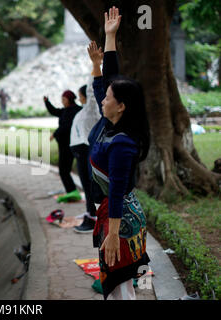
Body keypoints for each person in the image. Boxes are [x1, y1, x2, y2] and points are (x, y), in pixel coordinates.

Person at [88, 7, 150, 300]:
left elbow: (115, 191)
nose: (103, 99)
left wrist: (112, 236)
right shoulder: (107, 122)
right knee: (116, 286)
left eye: (108, 98)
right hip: (112, 216)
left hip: (120, 222)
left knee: (121, 289)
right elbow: (109, 80)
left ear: (121, 106)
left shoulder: (122, 142)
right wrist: (110, 37)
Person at [70, 81, 101, 233]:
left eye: (80, 95)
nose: (79, 98)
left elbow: (91, 93)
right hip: (80, 153)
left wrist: (95, 65)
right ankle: (90, 214)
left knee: (89, 187)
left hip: (84, 151)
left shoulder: (90, 110)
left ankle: (92, 219)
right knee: (86, 186)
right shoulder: (84, 111)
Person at [44, 91, 82, 202]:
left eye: (64, 99)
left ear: (70, 99)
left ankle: (72, 192)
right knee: (64, 169)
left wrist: (54, 134)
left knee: (64, 170)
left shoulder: (74, 111)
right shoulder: (66, 110)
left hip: (70, 145)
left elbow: (66, 126)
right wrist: (47, 102)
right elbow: (54, 111)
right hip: (65, 145)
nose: (62, 101)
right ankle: (71, 191)